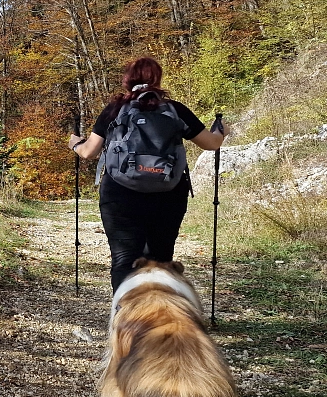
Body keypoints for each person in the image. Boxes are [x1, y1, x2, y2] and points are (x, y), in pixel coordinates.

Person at [68, 56, 227, 291]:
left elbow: (89, 152)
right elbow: (212, 143)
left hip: (120, 194)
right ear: (158, 79)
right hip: (169, 193)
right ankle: (158, 317)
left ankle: (126, 318)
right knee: (161, 259)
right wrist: (220, 130)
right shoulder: (175, 110)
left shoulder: (115, 109)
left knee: (123, 260)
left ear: (128, 80)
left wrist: (74, 143)